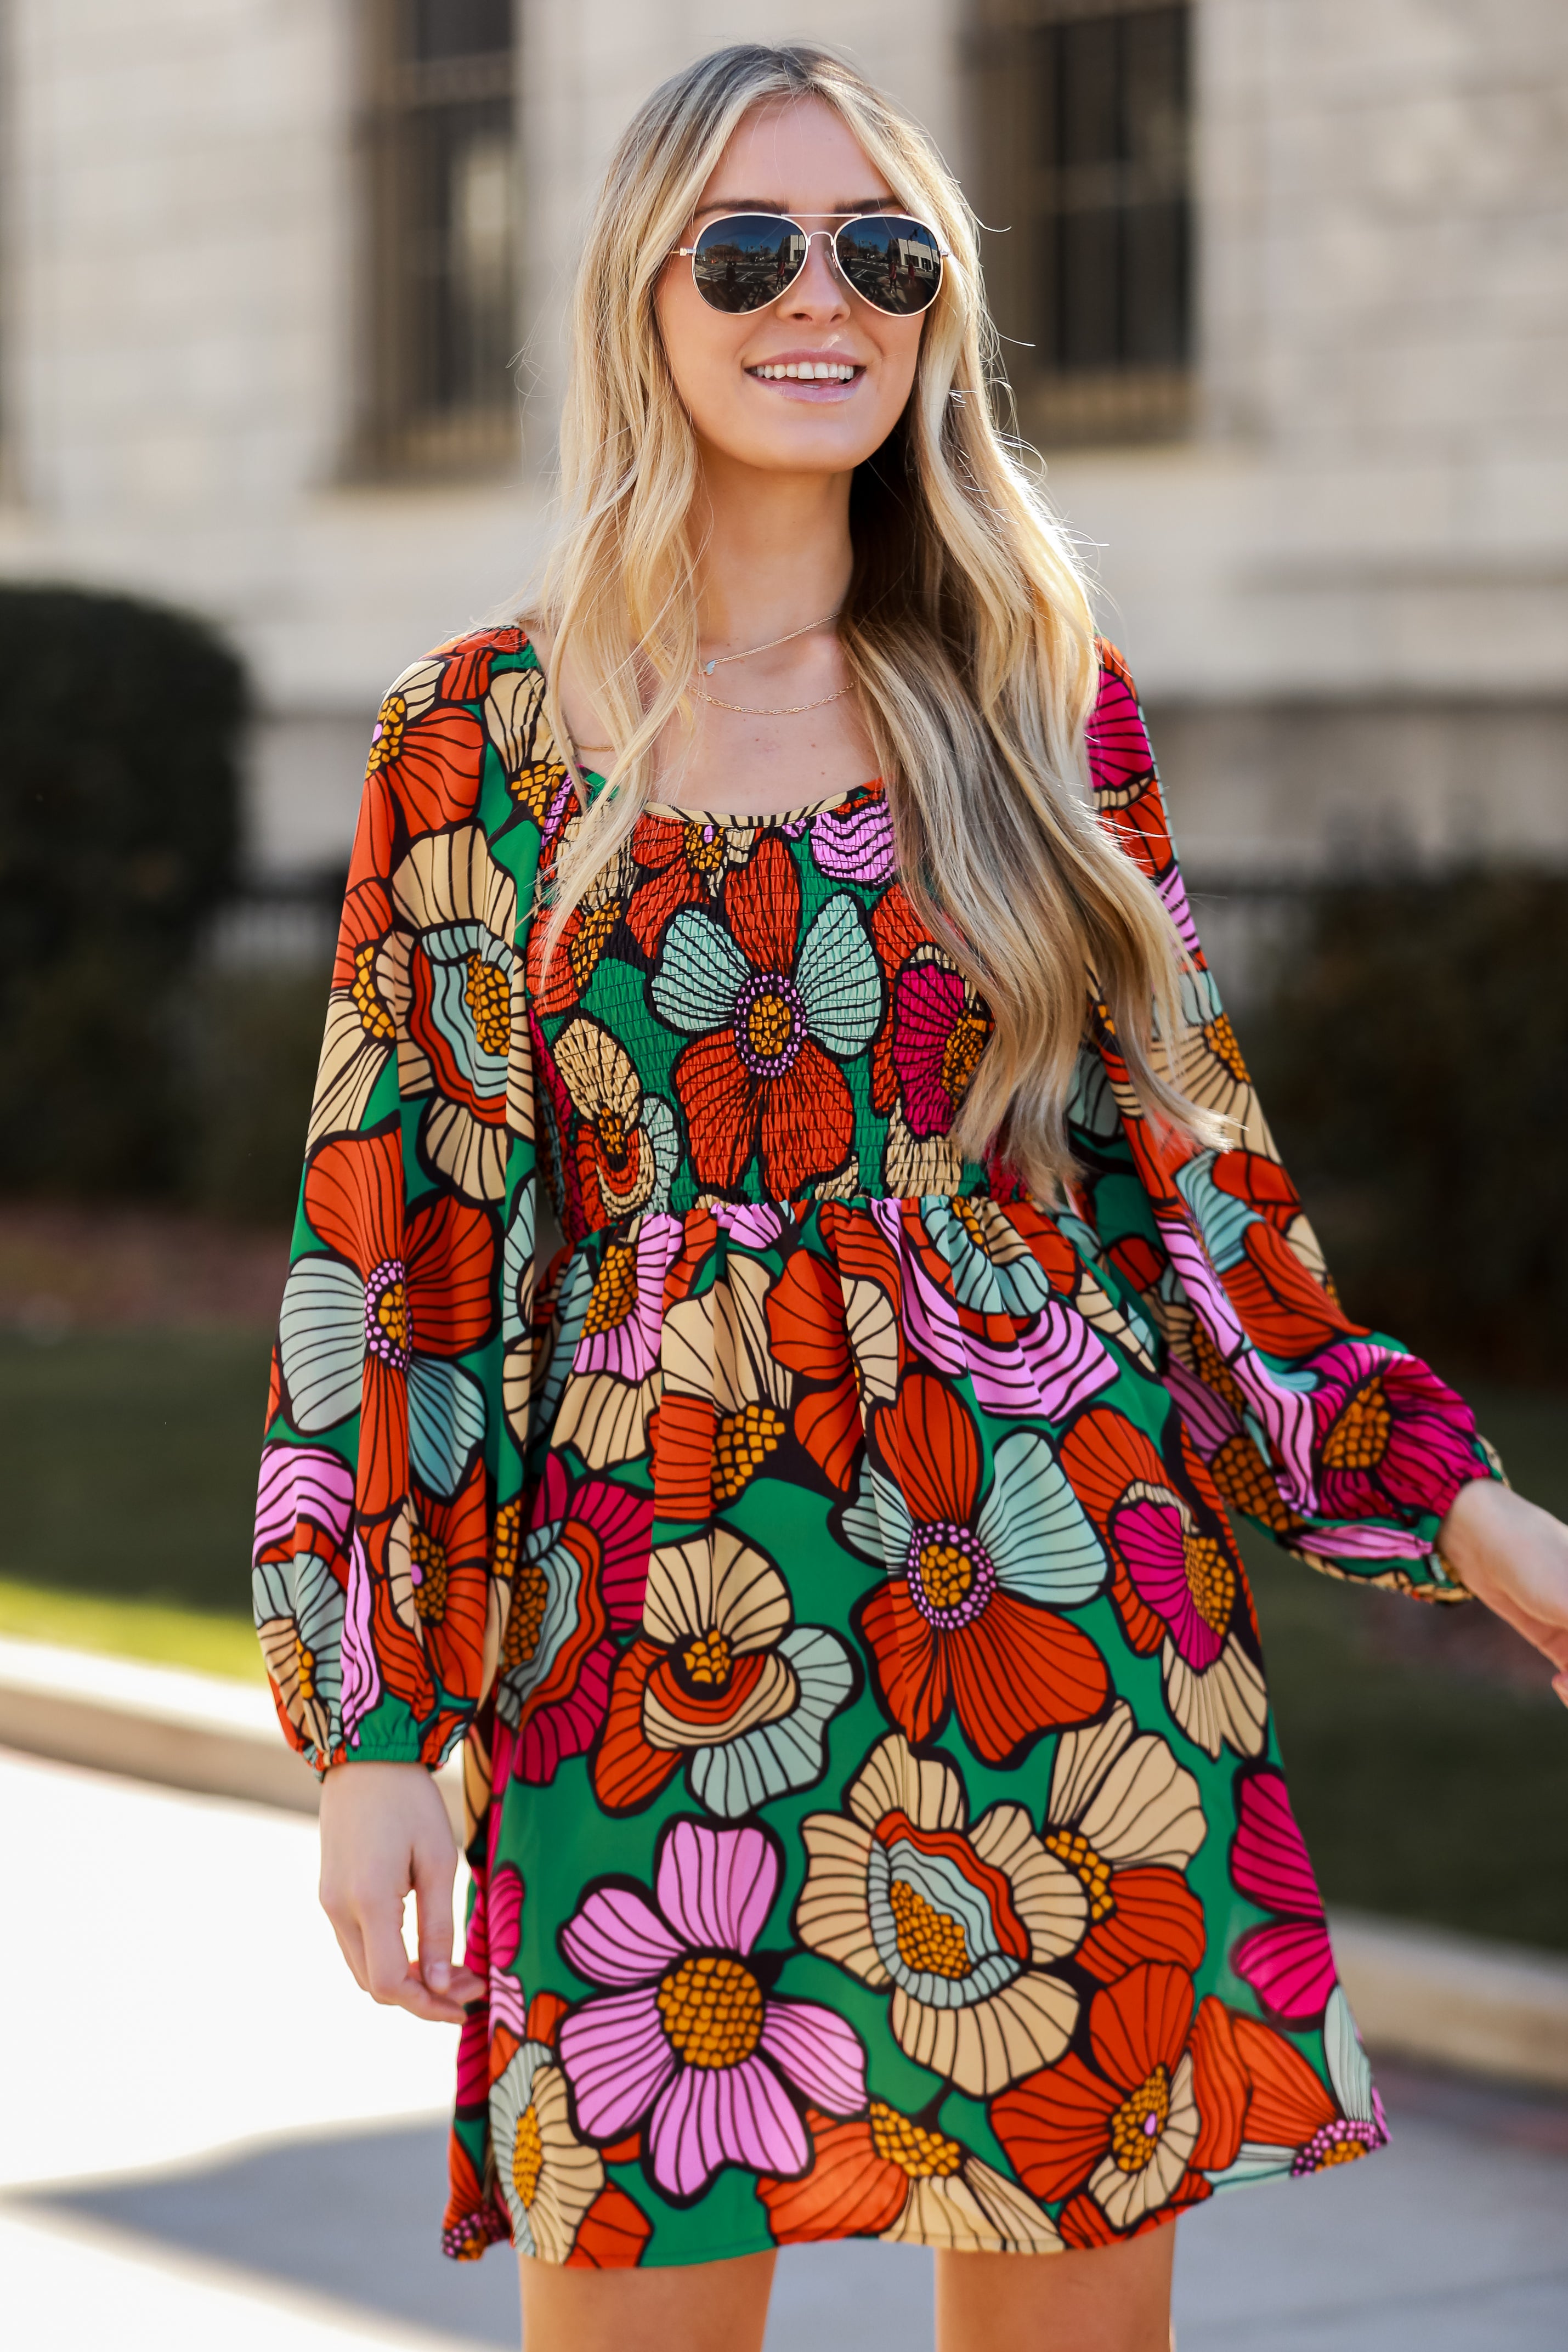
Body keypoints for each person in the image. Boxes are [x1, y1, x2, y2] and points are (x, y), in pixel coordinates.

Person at [252, 42, 1568, 2352]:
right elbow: (407, 1257)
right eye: (748, 252)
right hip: (648, 1670)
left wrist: (1480, 1523)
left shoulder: (1038, 706)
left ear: (939, 306)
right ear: (639, 302)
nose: (819, 303)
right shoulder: (475, 738)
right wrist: (379, 1734)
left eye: (883, 253)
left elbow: (1203, 1223)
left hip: (1062, 1640)